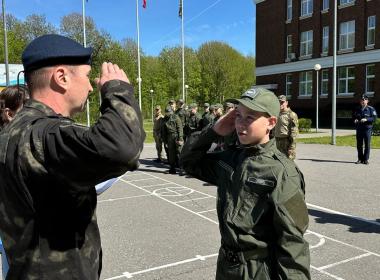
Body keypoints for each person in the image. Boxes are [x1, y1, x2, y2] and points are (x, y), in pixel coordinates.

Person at [0, 34, 145, 279]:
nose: (91, 86)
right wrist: (117, 89)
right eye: (87, 76)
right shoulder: (45, 134)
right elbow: (122, 147)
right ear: (61, 78)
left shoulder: (13, 131)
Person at [180, 87, 310, 280]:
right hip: (226, 267)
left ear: (271, 123)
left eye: (250, 118)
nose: (240, 123)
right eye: (238, 115)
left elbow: (292, 243)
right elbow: (188, 161)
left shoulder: (281, 172)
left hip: (258, 271)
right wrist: (214, 130)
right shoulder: (231, 159)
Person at [352, 94, 377, 164]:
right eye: (361, 100)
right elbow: (354, 117)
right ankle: (360, 159)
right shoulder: (357, 109)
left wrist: (366, 119)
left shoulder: (371, 109)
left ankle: (365, 159)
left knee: (367, 144)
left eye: (364, 100)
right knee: (359, 145)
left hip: (367, 129)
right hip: (359, 128)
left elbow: (374, 118)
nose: (362, 101)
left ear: (367, 101)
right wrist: (355, 120)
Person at [274, 95, 299, 160]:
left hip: (286, 142)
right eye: (279, 102)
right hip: (276, 142)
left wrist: (292, 147)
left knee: (288, 163)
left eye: (282, 102)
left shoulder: (291, 115)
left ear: (286, 103)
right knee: (277, 163)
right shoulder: (276, 114)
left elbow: (294, 133)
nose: (280, 104)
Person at [161, 105, 183, 174]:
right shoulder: (165, 119)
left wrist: (180, 138)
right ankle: (172, 168)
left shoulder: (176, 117)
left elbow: (180, 128)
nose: (167, 113)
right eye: (166, 112)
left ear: (171, 111)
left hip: (176, 136)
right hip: (169, 137)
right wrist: (165, 141)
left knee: (179, 152)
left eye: (169, 112)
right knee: (171, 154)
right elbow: (163, 131)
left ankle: (182, 169)